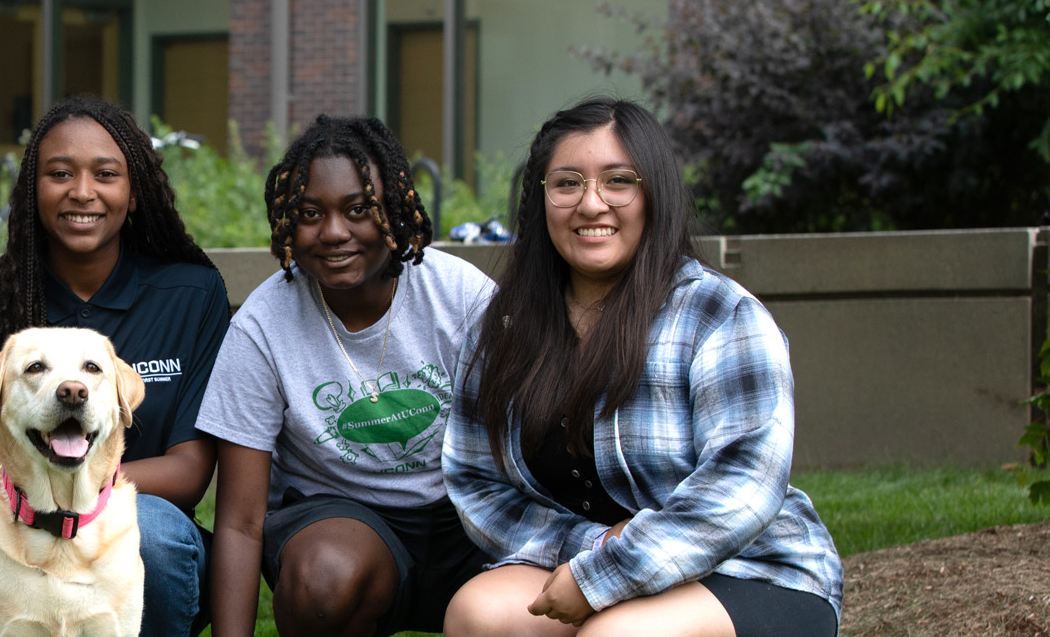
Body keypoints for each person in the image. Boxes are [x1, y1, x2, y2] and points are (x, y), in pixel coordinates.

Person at [441, 98, 843, 637]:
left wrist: (608, 574)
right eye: (566, 183)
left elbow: (744, 485)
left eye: (618, 181)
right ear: (540, 199)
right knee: (479, 615)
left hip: (747, 570)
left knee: (619, 635)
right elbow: (476, 480)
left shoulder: (720, 315)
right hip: (589, 562)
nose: (591, 204)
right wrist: (595, 553)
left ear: (653, 193)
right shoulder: (506, 325)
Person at [0, 97, 229, 636]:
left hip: (148, 540)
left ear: (134, 191)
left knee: (155, 532)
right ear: (33, 191)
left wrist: (85, 499)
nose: (82, 191)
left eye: (106, 174)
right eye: (59, 173)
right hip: (15, 530)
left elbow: (190, 471)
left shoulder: (190, 295)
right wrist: (48, 504)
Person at [198, 115, 495, 637]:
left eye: (359, 209)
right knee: (324, 580)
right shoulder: (262, 328)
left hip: (464, 516)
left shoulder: (460, 297)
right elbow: (241, 524)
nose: (334, 232)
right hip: (342, 521)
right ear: (287, 221)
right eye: (310, 213)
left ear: (396, 207)